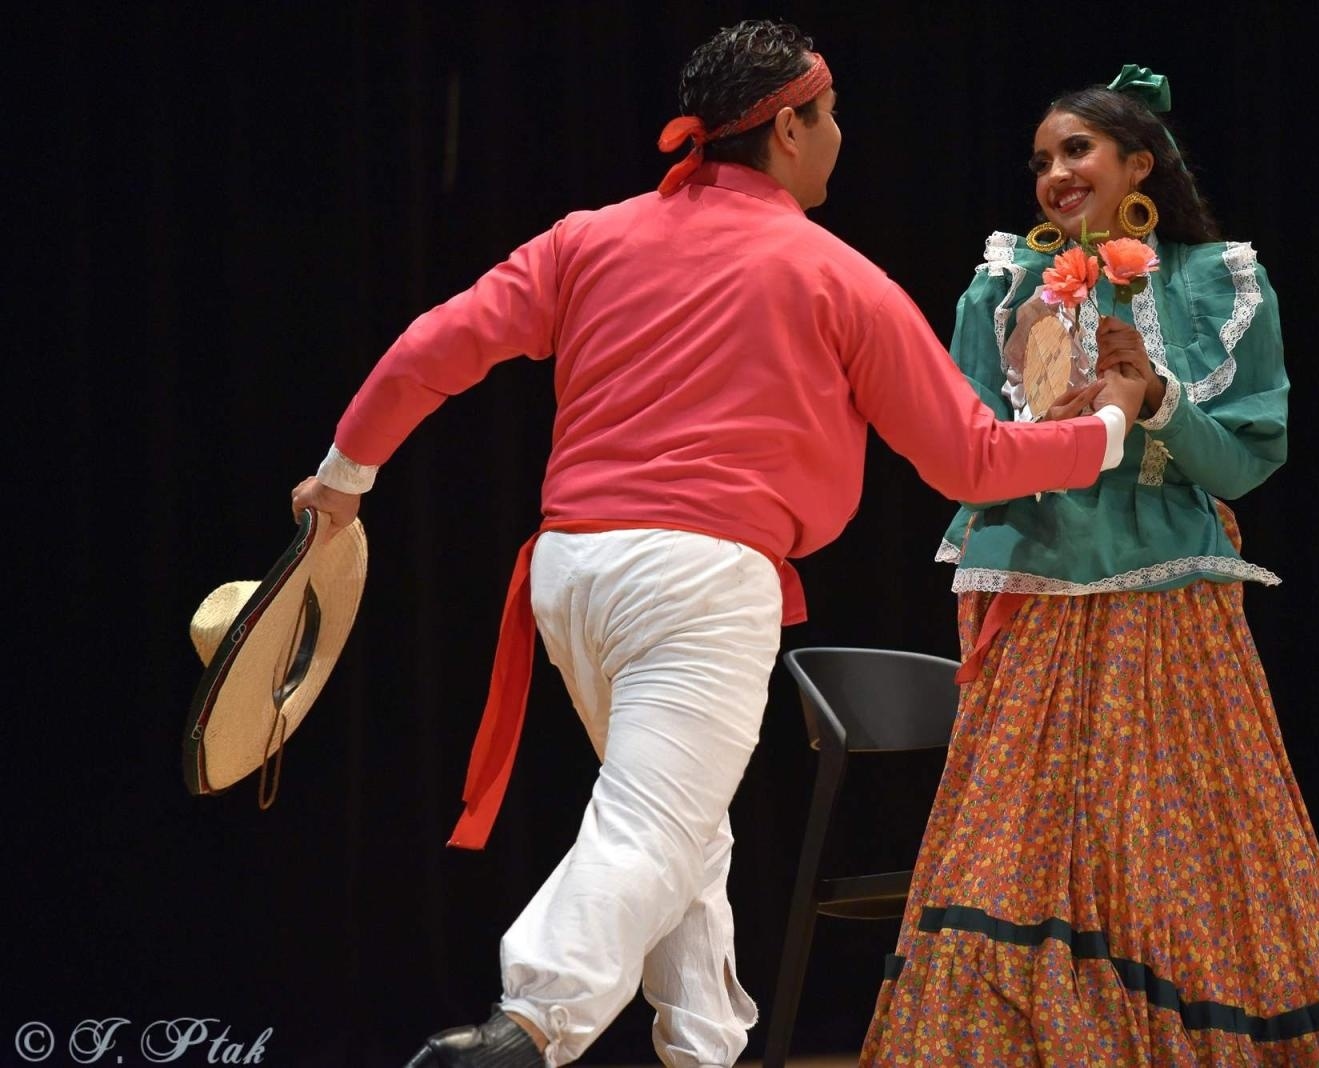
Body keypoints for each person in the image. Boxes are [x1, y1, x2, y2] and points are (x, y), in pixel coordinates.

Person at [290, 21, 1146, 1068]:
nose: (840, 136)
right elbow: (970, 462)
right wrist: (1104, 431)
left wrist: (343, 479)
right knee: (653, 824)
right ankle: (522, 1030)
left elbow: (433, 347)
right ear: (789, 126)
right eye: (827, 117)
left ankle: (705, 1050)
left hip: (573, 575)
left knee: (688, 832)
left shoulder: (587, 238)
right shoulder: (837, 277)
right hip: (698, 582)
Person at [860, 67, 1319, 1065]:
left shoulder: (1212, 282)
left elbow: (1245, 459)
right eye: (1041, 159)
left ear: (1138, 161)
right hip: (1029, 583)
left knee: (1173, 829)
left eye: (1076, 149)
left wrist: (1157, 397)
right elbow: (965, 446)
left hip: (1163, 586)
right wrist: (1049, 409)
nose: (1054, 173)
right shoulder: (1006, 282)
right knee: (1014, 834)